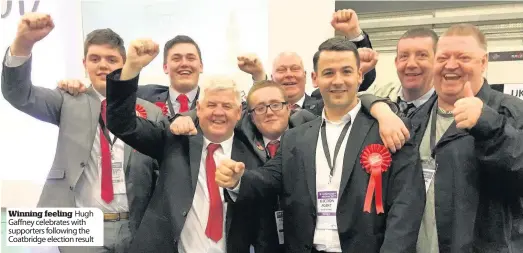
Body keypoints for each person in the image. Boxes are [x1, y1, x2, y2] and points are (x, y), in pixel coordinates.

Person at [215, 37, 425, 253]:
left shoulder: (389, 129)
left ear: (360, 75)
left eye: (346, 71)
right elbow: (267, 178)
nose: (337, 81)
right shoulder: (295, 137)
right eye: (328, 73)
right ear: (315, 78)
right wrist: (237, 181)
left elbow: (406, 206)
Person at [1, 13, 163, 253]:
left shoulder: (151, 112)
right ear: (84, 63)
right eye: (94, 58)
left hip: (135, 226)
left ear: (124, 63)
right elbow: (19, 94)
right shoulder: (67, 100)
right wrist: (24, 44)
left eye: (111, 59)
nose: (103, 65)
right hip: (80, 227)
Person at [104, 38, 280, 253]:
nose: (218, 112)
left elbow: (263, 231)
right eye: (211, 105)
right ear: (199, 108)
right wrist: (132, 67)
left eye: (226, 106)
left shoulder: (253, 159)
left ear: (238, 112)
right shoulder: (173, 140)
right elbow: (121, 123)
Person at [410, 24, 523, 252]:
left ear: (483, 62)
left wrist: (489, 125)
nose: (451, 65)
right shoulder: (416, 120)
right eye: (443, 57)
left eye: (463, 57)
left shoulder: (510, 111)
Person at [363, 28, 438, 117]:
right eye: (404, 56)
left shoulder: (449, 109)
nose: (411, 64)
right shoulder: (378, 95)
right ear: (396, 62)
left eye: (422, 55)